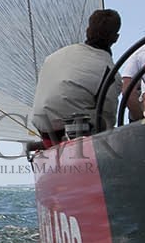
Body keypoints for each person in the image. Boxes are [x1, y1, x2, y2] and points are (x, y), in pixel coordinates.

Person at [29, 9, 122, 145]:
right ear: (116, 38)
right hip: (75, 136)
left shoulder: (56, 55)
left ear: (87, 30)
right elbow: (107, 120)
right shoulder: (110, 73)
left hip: (43, 129)